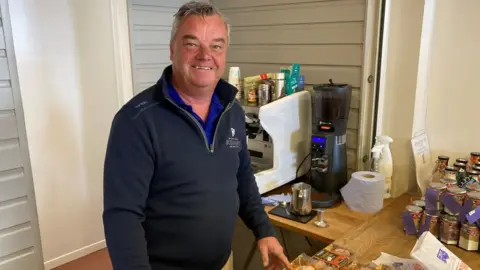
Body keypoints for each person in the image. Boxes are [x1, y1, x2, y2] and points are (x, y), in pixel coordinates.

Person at [102, 1, 291, 270]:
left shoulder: (233, 111)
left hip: (222, 263)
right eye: (192, 44)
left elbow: (243, 179)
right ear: (172, 49)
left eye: (216, 46)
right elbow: (122, 216)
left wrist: (265, 230)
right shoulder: (136, 120)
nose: (205, 55)